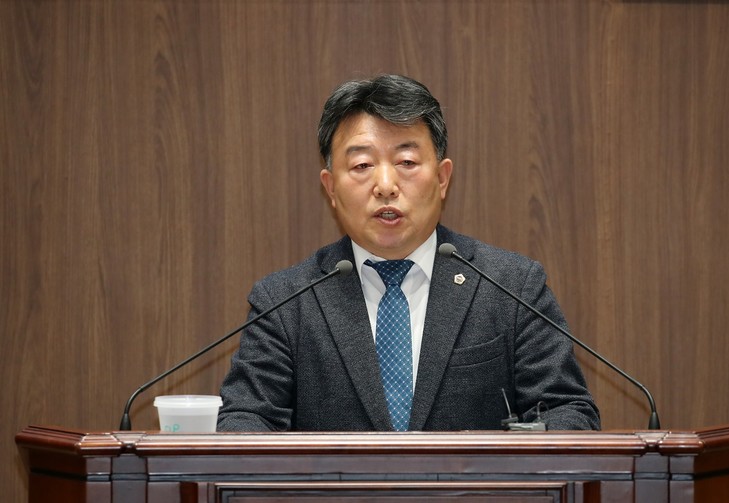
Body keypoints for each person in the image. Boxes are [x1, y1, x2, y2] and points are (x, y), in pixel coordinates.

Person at [217, 74, 600, 432]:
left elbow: (567, 411)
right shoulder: (283, 303)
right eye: (362, 164)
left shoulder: (511, 287)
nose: (386, 185)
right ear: (331, 188)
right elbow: (246, 419)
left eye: (407, 162)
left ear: (442, 178)